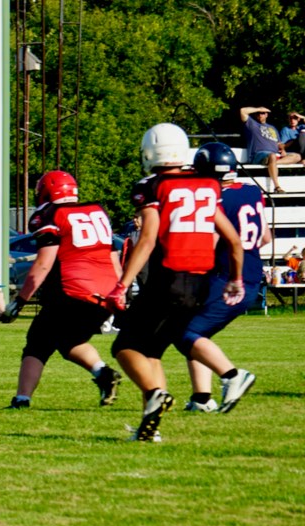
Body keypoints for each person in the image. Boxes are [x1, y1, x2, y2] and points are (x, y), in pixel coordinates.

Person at [103, 123, 244, 442]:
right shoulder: (208, 184)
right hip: (199, 285)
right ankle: (149, 429)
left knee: (123, 347)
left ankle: (155, 393)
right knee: (151, 353)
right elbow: (233, 240)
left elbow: (149, 237)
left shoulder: (152, 186)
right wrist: (235, 279)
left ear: (150, 152)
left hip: (168, 279)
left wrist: (122, 284)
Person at [0, 170, 124, 409]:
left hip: (72, 291)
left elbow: (44, 263)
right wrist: (121, 290)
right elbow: (113, 256)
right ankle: (104, 374)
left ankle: (21, 400)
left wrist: (20, 301)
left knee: (37, 342)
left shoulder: (49, 214)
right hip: (105, 292)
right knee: (67, 341)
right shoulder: (97, 211)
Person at [179, 142, 270, 414]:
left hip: (228, 279)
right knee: (198, 336)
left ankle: (232, 375)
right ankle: (202, 398)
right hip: (252, 274)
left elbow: (211, 241)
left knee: (186, 332)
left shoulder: (216, 197)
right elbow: (265, 237)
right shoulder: (252, 192)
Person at [240, 106, 301, 194]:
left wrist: (282, 149)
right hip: (259, 154)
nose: (260, 115)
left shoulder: (272, 128)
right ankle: (277, 187)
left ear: (267, 115)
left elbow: (279, 143)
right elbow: (243, 111)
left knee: (297, 156)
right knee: (272, 156)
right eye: (258, 113)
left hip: (274, 155)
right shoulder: (252, 124)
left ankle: (272, 163)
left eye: (263, 113)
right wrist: (259, 109)